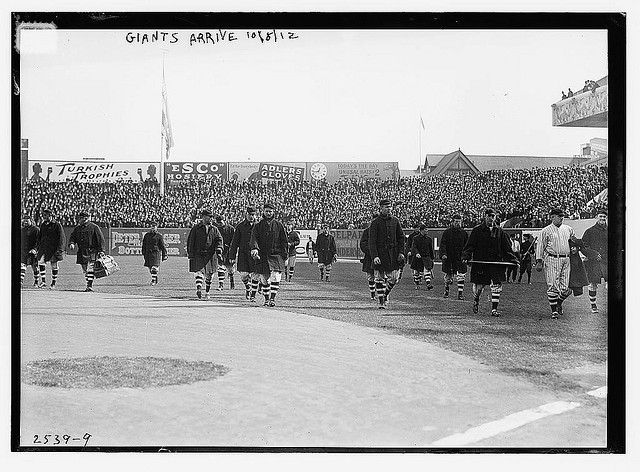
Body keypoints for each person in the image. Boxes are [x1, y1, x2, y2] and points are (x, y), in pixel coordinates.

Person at [461, 208, 519, 317]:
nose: (491, 219)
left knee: (496, 286)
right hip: (481, 263)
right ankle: (476, 299)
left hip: (496, 263)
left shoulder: (500, 232)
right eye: (489, 216)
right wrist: (466, 256)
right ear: (485, 216)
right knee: (479, 288)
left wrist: (514, 260)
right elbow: (470, 245)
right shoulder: (477, 230)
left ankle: (494, 310)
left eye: (493, 217)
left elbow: (506, 248)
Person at [535, 208, 576, 319]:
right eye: (558, 216)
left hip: (566, 259)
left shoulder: (568, 229)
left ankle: (558, 303)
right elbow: (540, 247)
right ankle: (554, 311)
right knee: (553, 285)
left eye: (562, 216)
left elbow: (574, 242)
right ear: (552, 217)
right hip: (552, 259)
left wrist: (574, 248)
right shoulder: (545, 230)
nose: (561, 218)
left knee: (565, 289)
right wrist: (539, 261)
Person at [249, 202, 288, 307]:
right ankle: (266, 299)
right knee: (265, 279)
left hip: (276, 255)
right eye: (267, 211)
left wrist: (285, 255)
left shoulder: (279, 225)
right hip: (262, 255)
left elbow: (284, 240)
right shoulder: (258, 226)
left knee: (276, 277)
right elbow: (254, 239)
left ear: (273, 212)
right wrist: (255, 249)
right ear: (263, 212)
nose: (269, 213)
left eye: (270, 211)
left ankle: (272, 299)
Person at [369, 198, 405, 309]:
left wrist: (401, 252)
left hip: (392, 254)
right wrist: (375, 256)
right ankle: (381, 302)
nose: (389, 209)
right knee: (379, 278)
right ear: (381, 208)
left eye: (390, 207)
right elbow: (372, 241)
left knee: (394, 278)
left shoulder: (395, 221)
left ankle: (385, 294)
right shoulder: (375, 223)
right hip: (380, 254)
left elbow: (401, 237)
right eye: (386, 207)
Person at [187, 209, 223, 300]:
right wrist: (191, 254)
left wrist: (219, 248)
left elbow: (219, 240)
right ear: (203, 217)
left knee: (210, 275)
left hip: (211, 256)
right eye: (209, 217)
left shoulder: (214, 229)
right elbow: (190, 241)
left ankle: (207, 292)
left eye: (211, 217)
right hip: (199, 254)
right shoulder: (195, 228)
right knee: (199, 272)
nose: (211, 219)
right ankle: (199, 288)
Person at [68, 210, 106, 292]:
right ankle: (88, 282)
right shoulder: (77, 228)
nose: (79, 220)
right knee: (85, 270)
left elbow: (100, 239)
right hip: (81, 251)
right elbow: (73, 237)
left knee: (90, 269)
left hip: (92, 251)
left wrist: (102, 250)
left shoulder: (94, 227)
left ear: (85, 218)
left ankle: (89, 286)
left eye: (80, 218)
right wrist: (72, 243)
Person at [229, 206, 259, 301]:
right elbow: (235, 242)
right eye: (250, 214)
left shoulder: (258, 226)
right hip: (243, 254)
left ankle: (252, 294)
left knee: (255, 275)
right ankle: (248, 287)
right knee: (243, 275)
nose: (251, 216)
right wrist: (232, 256)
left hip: (255, 255)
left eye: (253, 215)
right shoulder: (240, 226)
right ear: (246, 214)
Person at [581, 209, 608, 313]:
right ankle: (593, 305)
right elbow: (583, 246)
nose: (602, 219)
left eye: (604, 217)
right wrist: (593, 254)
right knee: (593, 284)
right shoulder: (590, 231)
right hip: (593, 262)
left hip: (606, 261)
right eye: (600, 216)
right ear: (597, 217)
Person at [440, 214, 469, 299]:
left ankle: (460, 294)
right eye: (456, 222)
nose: (458, 223)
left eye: (459, 222)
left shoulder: (464, 233)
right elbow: (443, 244)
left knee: (461, 275)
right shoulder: (447, 232)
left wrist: (466, 256)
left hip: (460, 257)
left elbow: (467, 246)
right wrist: (443, 254)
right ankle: (446, 291)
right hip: (449, 257)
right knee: (448, 276)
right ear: (452, 222)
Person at [36, 208, 66, 289]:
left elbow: (61, 238)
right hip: (44, 248)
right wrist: (37, 247)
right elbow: (40, 237)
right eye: (43, 215)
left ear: (50, 216)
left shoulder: (57, 225)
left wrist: (60, 249)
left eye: (45, 215)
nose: (44, 217)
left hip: (53, 249)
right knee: (41, 263)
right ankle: (43, 282)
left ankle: (53, 283)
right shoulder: (43, 225)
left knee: (53, 265)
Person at [359, 213, 378, 300]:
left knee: (381, 277)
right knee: (371, 276)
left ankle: (381, 294)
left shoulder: (383, 232)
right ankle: (372, 293)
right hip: (369, 258)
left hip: (381, 257)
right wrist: (371, 251)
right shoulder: (367, 231)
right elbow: (363, 244)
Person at [142, 221, 168, 286]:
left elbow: (162, 245)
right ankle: (155, 277)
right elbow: (144, 245)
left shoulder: (159, 236)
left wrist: (165, 254)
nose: (152, 228)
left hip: (156, 253)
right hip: (148, 253)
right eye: (152, 226)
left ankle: (153, 281)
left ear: (156, 227)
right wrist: (143, 252)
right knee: (150, 269)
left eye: (154, 226)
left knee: (154, 268)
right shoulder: (147, 235)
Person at [410, 224, 435, 290]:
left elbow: (430, 249)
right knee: (416, 273)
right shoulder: (415, 238)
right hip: (418, 258)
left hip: (426, 257)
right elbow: (413, 247)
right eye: (425, 229)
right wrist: (416, 253)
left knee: (427, 271)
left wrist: (432, 258)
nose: (427, 231)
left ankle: (428, 284)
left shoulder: (429, 239)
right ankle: (417, 284)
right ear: (421, 230)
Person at [214, 215, 236, 290]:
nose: (219, 224)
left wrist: (233, 250)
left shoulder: (231, 229)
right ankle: (221, 285)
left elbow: (235, 240)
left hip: (229, 251)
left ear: (225, 220)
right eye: (218, 223)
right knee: (221, 267)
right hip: (221, 251)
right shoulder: (216, 229)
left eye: (220, 222)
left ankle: (232, 280)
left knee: (230, 269)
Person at [20, 214, 40, 287]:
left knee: (34, 267)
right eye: (24, 221)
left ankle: (36, 282)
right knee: (22, 266)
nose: (25, 222)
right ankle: (21, 282)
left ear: (31, 221)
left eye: (27, 221)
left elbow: (39, 241)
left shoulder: (36, 230)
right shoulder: (22, 230)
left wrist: (35, 249)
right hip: (23, 251)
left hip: (33, 252)